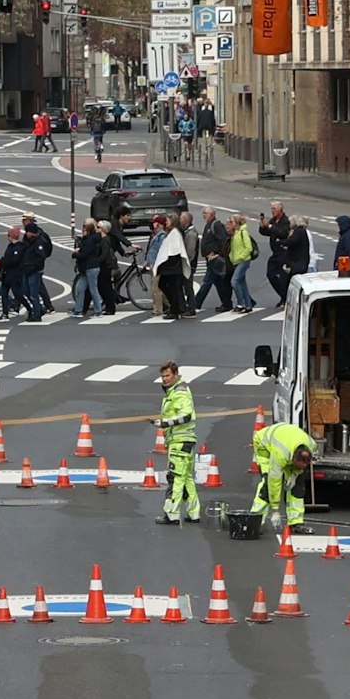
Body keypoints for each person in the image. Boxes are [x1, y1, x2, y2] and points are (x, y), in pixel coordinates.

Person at [153, 361, 201, 524]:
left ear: (175, 374)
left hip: (180, 441)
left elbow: (186, 415)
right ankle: (194, 513)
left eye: (167, 375)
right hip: (185, 440)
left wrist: (165, 423)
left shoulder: (179, 392)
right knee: (186, 478)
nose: (164, 379)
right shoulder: (175, 391)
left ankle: (171, 514)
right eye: (162, 376)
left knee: (175, 478)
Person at [251, 422, 317, 533]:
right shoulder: (281, 454)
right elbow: (274, 482)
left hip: (286, 441)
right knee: (267, 486)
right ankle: (255, 521)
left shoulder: (312, 446)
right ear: (293, 459)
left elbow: (301, 466)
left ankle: (295, 522)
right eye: (296, 466)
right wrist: (275, 510)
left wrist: (295, 474)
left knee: (298, 486)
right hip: (264, 448)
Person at [194, 208, 232, 313]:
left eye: (205, 213)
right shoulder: (209, 224)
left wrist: (215, 252)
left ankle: (196, 303)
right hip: (210, 259)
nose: (203, 215)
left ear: (211, 214)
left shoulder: (216, 225)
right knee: (218, 282)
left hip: (214, 259)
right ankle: (227, 303)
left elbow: (223, 241)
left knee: (207, 281)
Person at [154, 213, 190, 321]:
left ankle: (175, 310)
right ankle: (175, 308)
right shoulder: (170, 233)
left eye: (168, 220)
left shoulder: (175, 233)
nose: (166, 222)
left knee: (170, 288)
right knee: (167, 287)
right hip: (169, 267)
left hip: (171, 268)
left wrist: (166, 264)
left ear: (173, 221)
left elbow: (174, 251)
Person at [19, 215, 53, 320]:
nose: (27, 233)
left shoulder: (38, 242)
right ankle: (41, 308)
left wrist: (34, 267)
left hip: (34, 270)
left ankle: (37, 314)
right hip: (26, 269)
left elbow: (41, 257)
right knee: (25, 290)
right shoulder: (27, 241)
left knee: (34, 293)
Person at [70, 220, 105, 316]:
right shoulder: (90, 239)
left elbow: (85, 255)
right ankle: (78, 310)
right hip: (87, 267)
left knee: (93, 289)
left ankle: (98, 311)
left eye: (84, 227)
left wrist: (75, 254)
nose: (82, 229)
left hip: (90, 267)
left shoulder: (90, 240)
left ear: (88, 229)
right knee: (80, 288)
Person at [261, 201, 292, 304]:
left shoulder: (285, 221)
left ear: (280, 209)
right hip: (275, 253)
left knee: (283, 277)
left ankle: (285, 298)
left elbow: (282, 233)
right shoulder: (273, 220)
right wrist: (263, 227)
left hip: (283, 252)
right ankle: (283, 296)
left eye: (274, 208)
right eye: (272, 208)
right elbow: (266, 232)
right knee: (271, 274)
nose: (272, 210)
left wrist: (269, 226)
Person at [227, 214, 257, 313]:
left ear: (236, 222)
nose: (229, 223)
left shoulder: (243, 232)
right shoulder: (234, 233)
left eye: (231, 221)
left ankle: (241, 304)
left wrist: (241, 256)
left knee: (234, 281)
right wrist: (232, 257)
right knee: (242, 283)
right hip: (236, 261)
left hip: (243, 261)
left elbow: (249, 247)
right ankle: (248, 305)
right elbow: (232, 248)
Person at [0, 226, 28, 316]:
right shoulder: (10, 246)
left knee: (18, 295)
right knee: (4, 294)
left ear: (11, 236)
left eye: (8, 235)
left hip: (14, 275)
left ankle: (29, 308)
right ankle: (4, 313)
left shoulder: (19, 247)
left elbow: (14, 260)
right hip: (6, 274)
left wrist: (3, 261)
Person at [177, 210, 200, 317]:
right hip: (187, 265)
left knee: (188, 287)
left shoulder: (190, 234)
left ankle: (191, 308)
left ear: (186, 221)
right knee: (184, 286)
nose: (179, 221)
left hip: (188, 266)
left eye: (181, 219)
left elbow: (190, 252)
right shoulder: (187, 232)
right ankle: (187, 307)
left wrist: (185, 264)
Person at [284, 215, 312, 286]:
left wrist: (282, 242)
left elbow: (293, 243)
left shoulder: (299, 232)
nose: (289, 225)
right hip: (301, 264)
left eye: (289, 223)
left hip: (299, 265)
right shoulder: (300, 232)